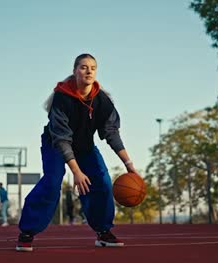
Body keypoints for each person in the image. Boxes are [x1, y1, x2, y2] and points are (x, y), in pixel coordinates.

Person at [15, 54, 139, 252]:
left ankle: (103, 231)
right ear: (75, 71)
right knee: (53, 181)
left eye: (92, 67)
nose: (88, 71)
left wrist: (129, 165)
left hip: (84, 146)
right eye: (83, 67)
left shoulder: (102, 100)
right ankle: (27, 231)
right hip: (55, 143)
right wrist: (76, 171)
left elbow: (111, 133)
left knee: (103, 181)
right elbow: (62, 139)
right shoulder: (62, 98)